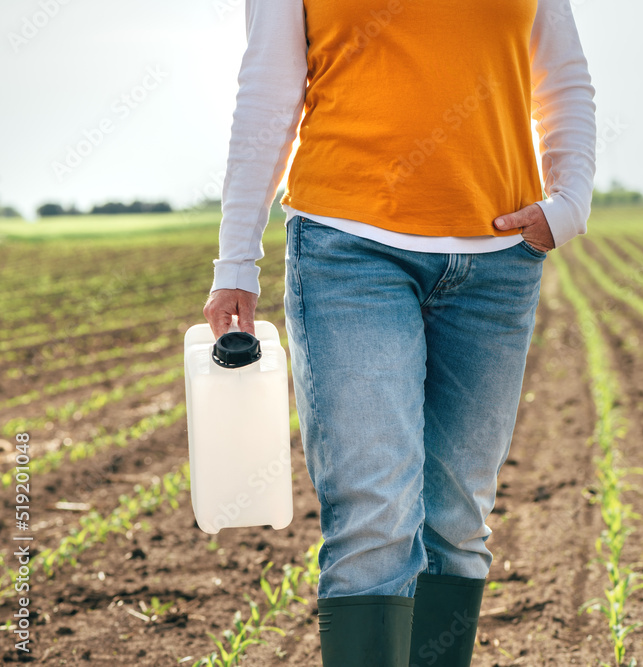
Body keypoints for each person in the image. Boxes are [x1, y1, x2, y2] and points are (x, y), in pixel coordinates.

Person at [203, 0, 596, 664]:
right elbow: (268, 93)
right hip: (350, 251)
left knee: (457, 522)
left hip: (497, 264)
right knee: (375, 514)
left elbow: (565, 80)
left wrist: (569, 203)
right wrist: (237, 257)